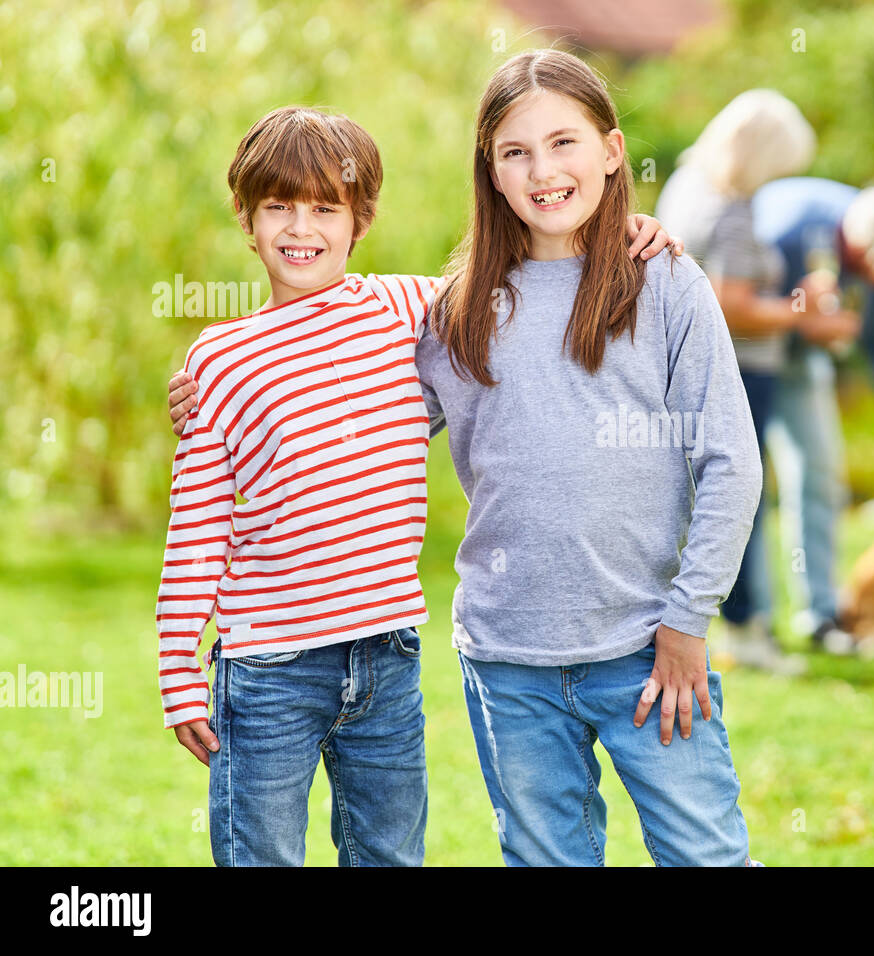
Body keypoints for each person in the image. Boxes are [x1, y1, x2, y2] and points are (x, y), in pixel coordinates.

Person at [160, 106, 678, 866]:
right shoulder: (220, 359)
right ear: (245, 215)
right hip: (267, 664)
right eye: (279, 207)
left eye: (325, 208)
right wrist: (178, 666)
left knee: (391, 853)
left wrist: (635, 230)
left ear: (360, 217)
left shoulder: (408, 310)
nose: (301, 228)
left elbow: (526, 282)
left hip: (387, 651)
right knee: (259, 851)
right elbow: (197, 524)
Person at [417, 49, 762, 865]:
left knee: (705, 855)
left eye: (564, 142)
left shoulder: (666, 284)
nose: (543, 170)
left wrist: (687, 622)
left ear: (611, 152)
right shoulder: (456, 310)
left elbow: (731, 463)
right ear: (490, 172)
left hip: (649, 649)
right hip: (508, 661)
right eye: (515, 151)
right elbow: (358, 415)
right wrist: (218, 389)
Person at [660, 170, 874, 652]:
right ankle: (752, 620)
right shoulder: (792, 228)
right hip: (751, 356)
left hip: (805, 360)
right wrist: (803, 318)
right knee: (747, 482)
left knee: (821, 472)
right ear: (869, 252)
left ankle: (822, 615)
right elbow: (745, 296)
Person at [662, 90, 838, 674]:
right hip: (744, 368)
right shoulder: (733, 207)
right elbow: (730, 303)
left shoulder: (686, 185)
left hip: (687, 368)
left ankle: (728, 624)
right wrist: (802, 309)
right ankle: (749, 626)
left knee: (702, 495)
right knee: (740, 497)